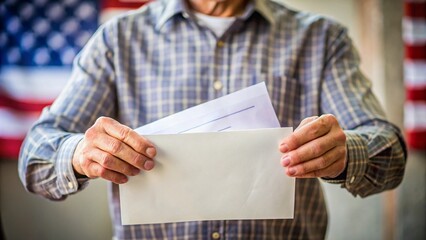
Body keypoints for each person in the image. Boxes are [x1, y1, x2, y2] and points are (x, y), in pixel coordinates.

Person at [19, 0, 406, 239]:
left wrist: (347, 152)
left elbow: (390, 156)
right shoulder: (116, 40)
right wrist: (78, 153)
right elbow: (35, 157)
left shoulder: (322, 39)